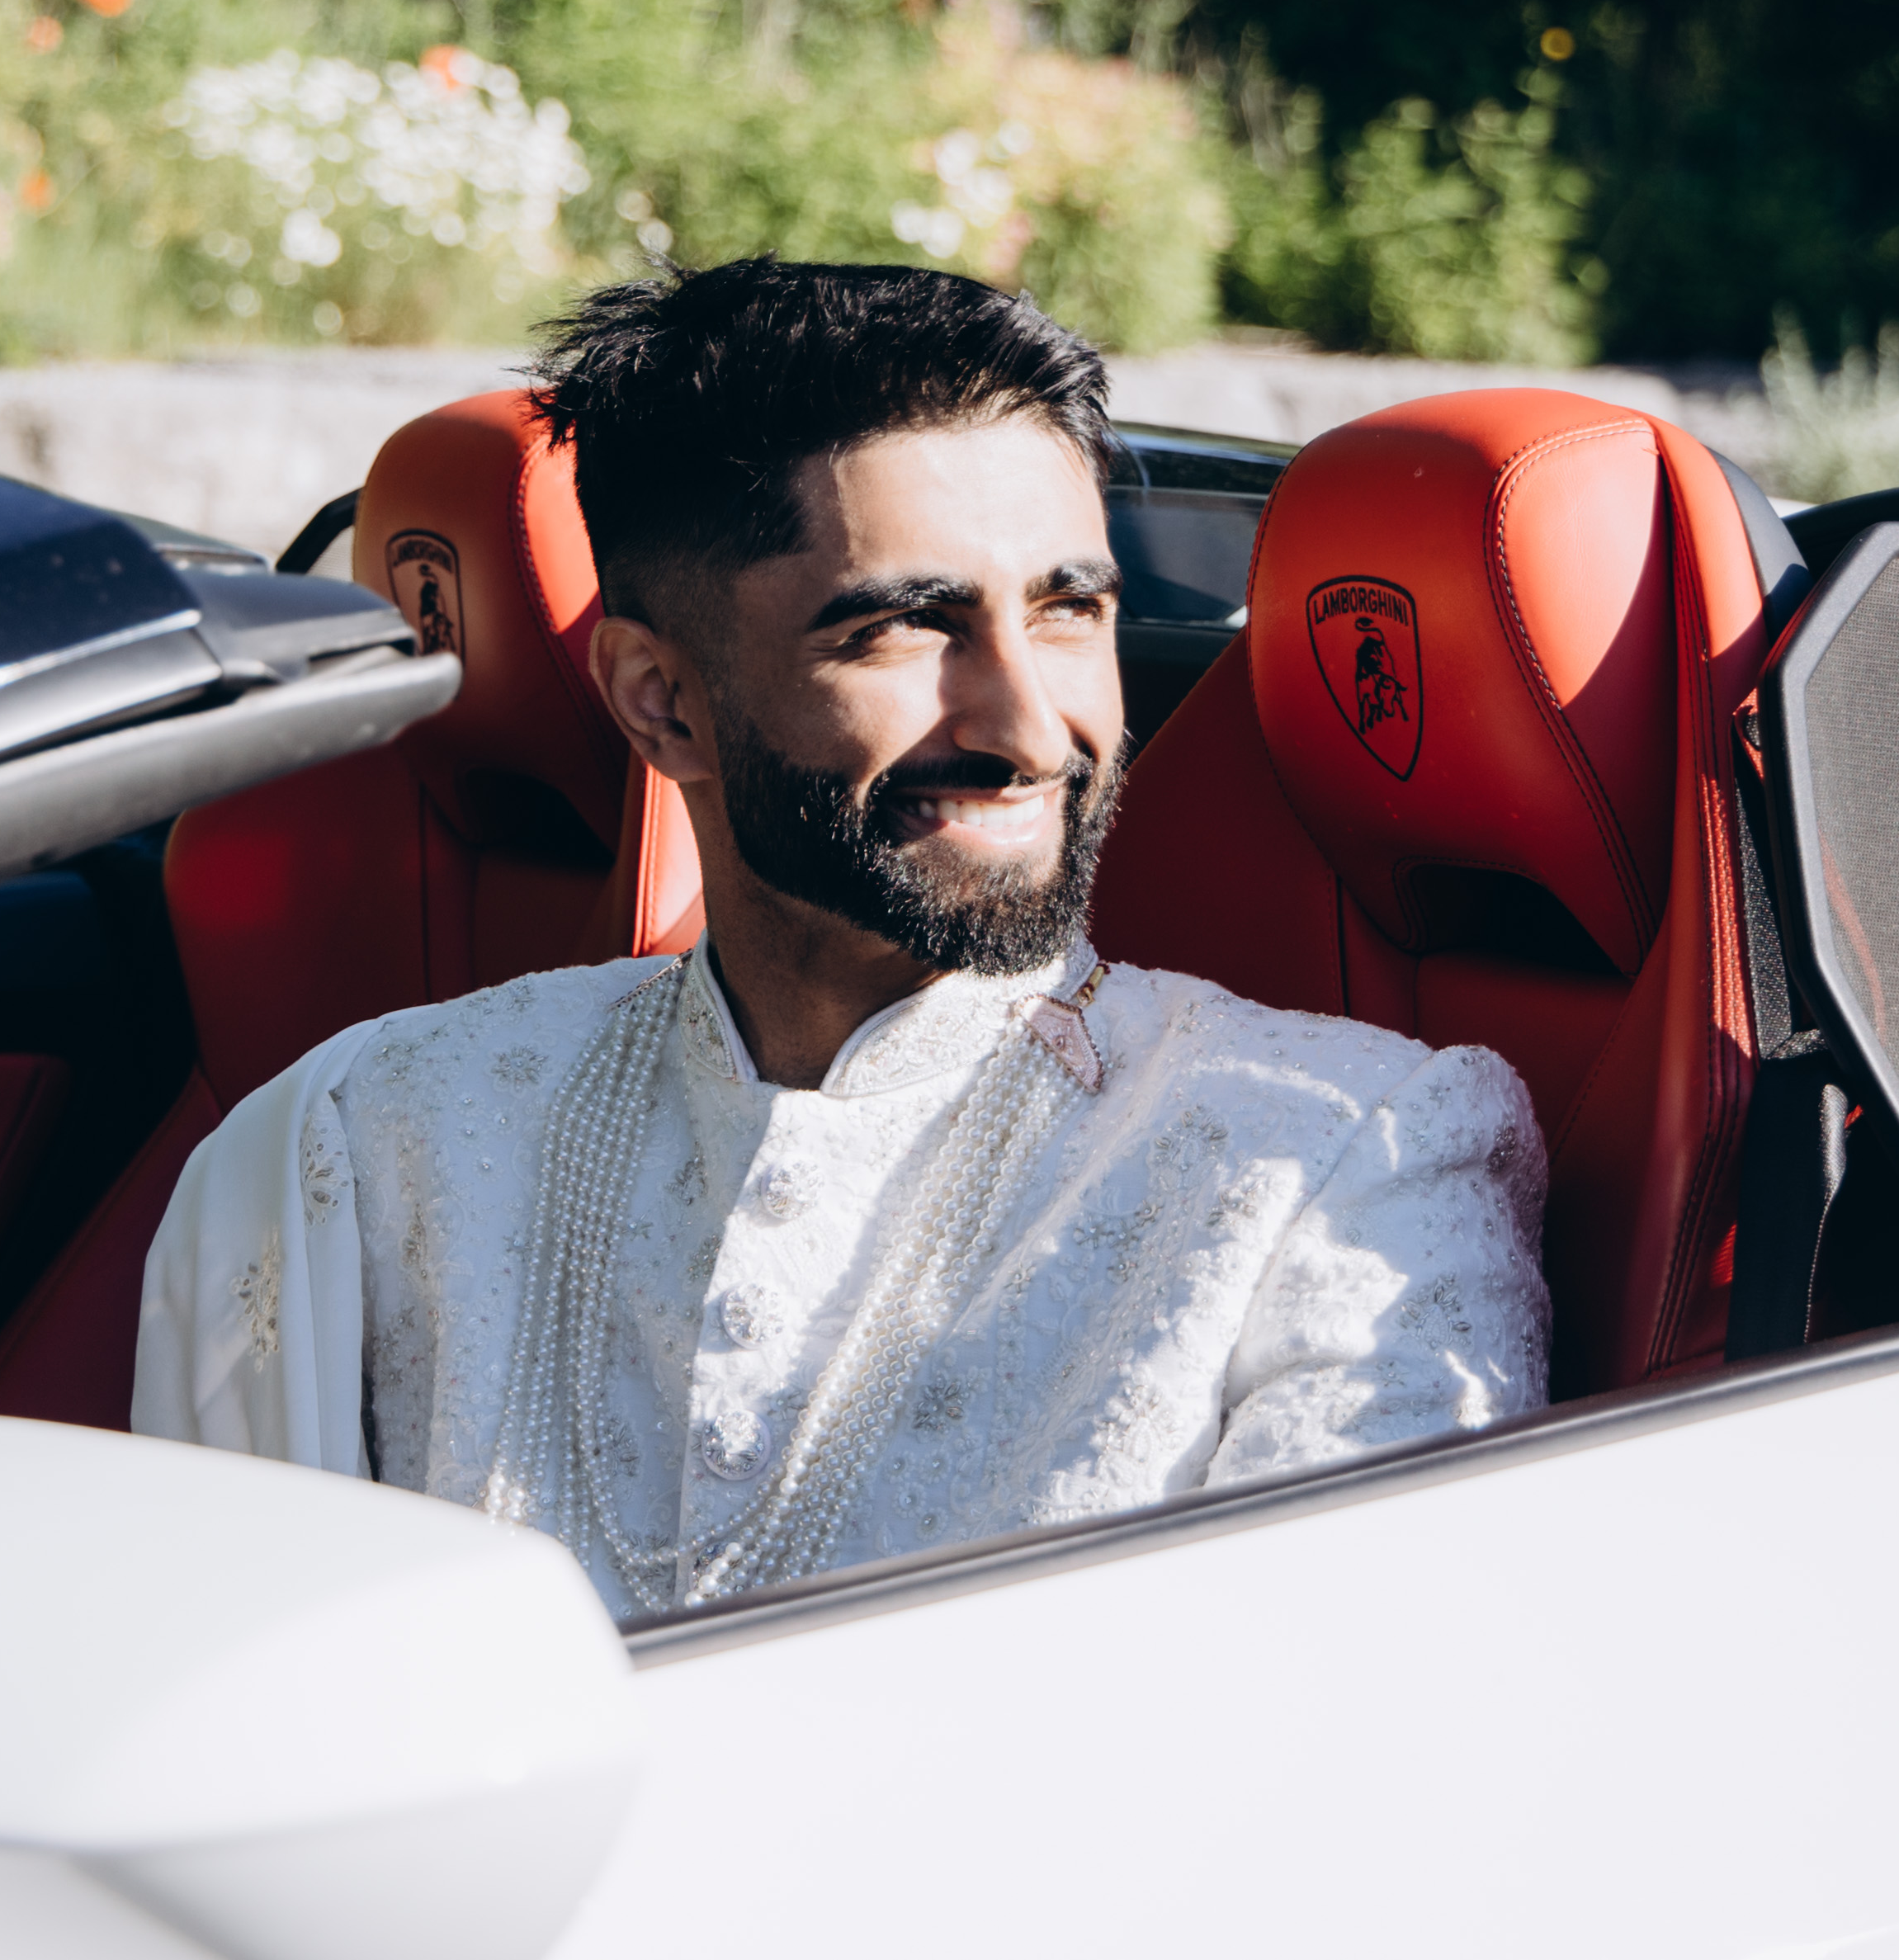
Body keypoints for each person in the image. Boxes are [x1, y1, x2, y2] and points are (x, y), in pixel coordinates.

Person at [133, 258, 1550, 1618]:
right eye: (904, 629)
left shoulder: (1343, 1162)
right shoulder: (359, 1138)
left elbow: (1332, 1732)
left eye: (1068, 609)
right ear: (660, 700)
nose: (1028, 728)